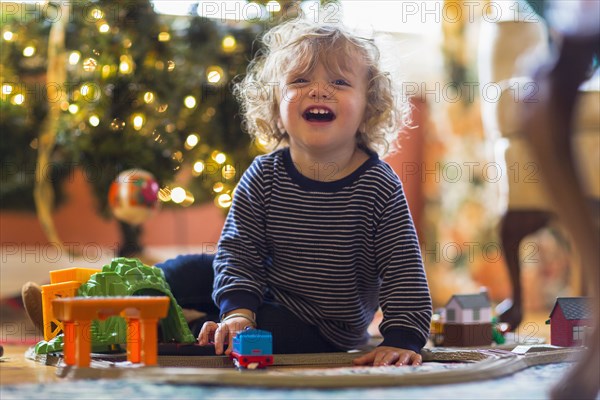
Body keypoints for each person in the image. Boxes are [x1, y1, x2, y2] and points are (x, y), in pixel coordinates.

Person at [159, 17, 432, 367]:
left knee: (270, 333)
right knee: (184, 270)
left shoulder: (378, 185)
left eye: (339, 81)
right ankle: (141, 299)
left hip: (322, 327)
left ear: (369, 106)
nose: (318, 91)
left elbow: (403, 270)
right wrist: (240, 311)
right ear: (275, 104)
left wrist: (403, 338)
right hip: (265, 291)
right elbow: (239, 253)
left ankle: (192, 330)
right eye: (300, 80)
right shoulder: (263, 175)